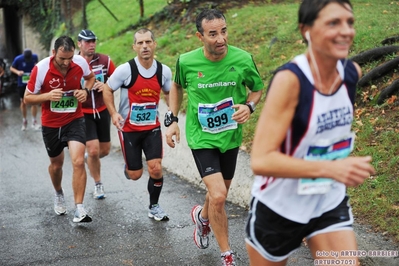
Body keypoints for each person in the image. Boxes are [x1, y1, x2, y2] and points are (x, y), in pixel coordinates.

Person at [245, 1, 376, 265]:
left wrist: (332, 169)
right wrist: (330, 169)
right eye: (333, 23)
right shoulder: (290, 80)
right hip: (280, 205)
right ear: (306, 30)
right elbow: (261, 161)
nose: (346, 31)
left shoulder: (351, 73)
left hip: (327, 198)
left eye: (349, 22)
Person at [165, 9, 263, 266]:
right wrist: (173, 119)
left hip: (230, 137)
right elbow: (176, 86)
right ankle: (227, 255)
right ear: (200, 36)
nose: (221, 38)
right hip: (201, 137)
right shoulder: (186, 61)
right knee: (219, 195)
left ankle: (202, 217)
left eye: (224, 31)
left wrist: (249, 107)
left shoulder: (242, 59)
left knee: (217, 194)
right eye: (213, 34)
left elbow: (257, 89)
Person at [102, 28, 172, 221]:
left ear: (154, 44)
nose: (145, 46)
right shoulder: (125, 70)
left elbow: (169, 92)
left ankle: (154, 206)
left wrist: (171, 113)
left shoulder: (163, 71)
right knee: (134, 175)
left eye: (148, 42)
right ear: (134, 47)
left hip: (152, 128)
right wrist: (114, 113)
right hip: (129, 130)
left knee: (156, 168)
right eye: (140, 43)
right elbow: (107, 90)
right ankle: (129, 167)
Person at [24, 36, 96, 223]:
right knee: (57, 165)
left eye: (69, 58)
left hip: (75, 119)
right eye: (62, 58)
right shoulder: (40, 69)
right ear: (53, 53)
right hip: (51, 123)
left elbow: (90, 78)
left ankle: (79, 208)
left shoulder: (79, 63)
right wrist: (47, 95)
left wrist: (85, 91)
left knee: (79, 161)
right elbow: (27, 98)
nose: (66, 63)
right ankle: (58, 193)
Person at [77, 29, 116, 199]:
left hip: (102, 110)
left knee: (104, 151)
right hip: (83, 113)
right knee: (93, 151)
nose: (91, 44)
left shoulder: (105, 61)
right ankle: (98, 185)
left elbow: (117, 81)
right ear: (79, 43)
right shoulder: (73, 63)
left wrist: (106, 86)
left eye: (93, 41)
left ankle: (89, 159)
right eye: (87, 42)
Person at [10, 49, 40, 130]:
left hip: (32, 83)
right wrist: (18, 72)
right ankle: (24, 120)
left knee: (34, 102)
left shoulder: (35, 57)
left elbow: (37, 65)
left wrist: (34, 71)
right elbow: (11, 68)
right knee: (23, 102)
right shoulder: (18, 59)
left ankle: (34, 121)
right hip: (22, 84)